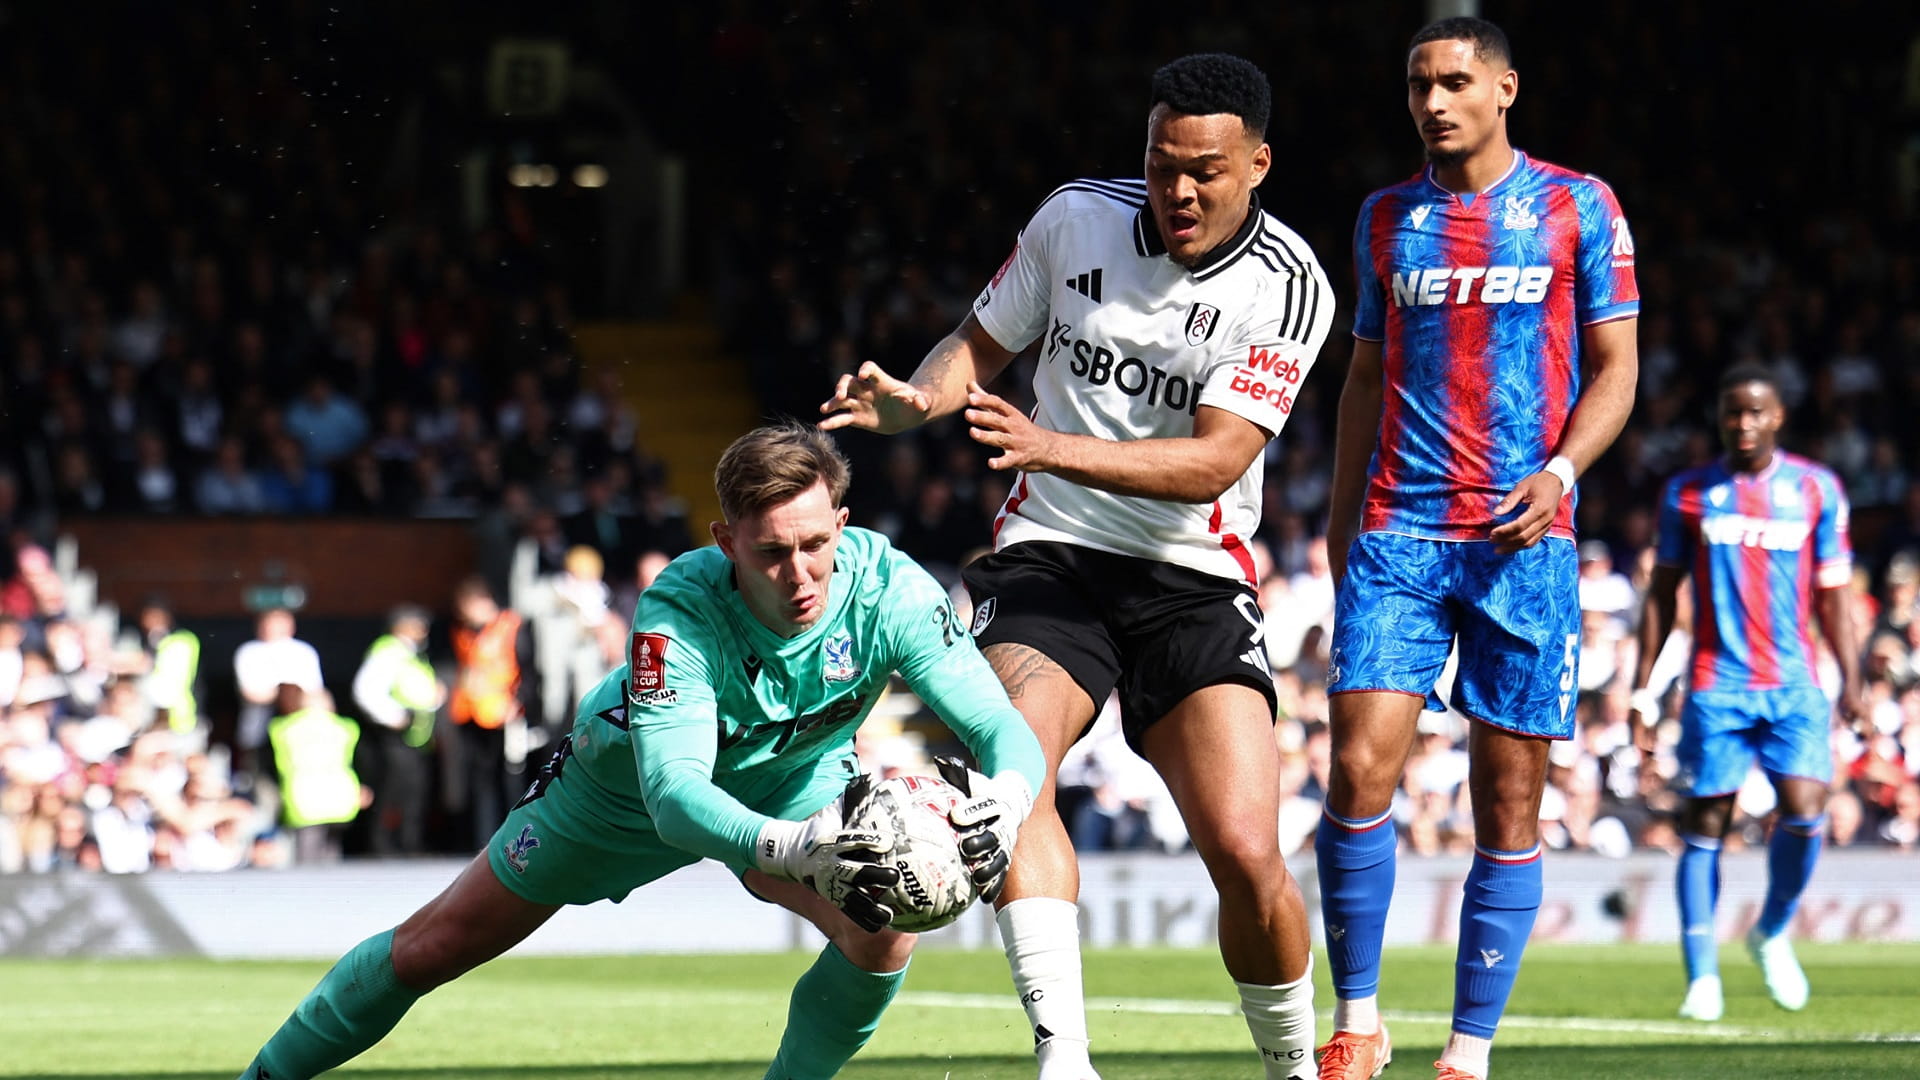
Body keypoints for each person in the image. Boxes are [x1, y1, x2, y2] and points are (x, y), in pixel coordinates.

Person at [235, 421, 1046, 1080]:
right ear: (726, 541)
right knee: (432, 948)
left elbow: (999, 726)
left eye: (814, 544)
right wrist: (796, 848)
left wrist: (1006, 801)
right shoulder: (676, 613)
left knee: (881, 929)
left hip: (791, 778)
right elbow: (674, 792)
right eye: (770, 552)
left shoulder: (890, 590)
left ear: (841, 521)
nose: (799, 573)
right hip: (617, 795)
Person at [822, 52, 1333, 1080]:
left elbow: (1217, 461)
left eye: (1205, 171)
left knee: (1245, 852)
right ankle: (1066, 1059)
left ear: (1259, 164)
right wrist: (917, 401)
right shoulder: (1074, 219)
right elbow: (977, 343)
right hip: (1050, 559)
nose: (1178, 191)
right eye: (1160, 163)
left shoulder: (1290, 287)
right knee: (1014, 781)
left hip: (1195, 576)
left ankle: (1292, 1067)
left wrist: (1049, 444)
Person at [1314, 18, 1639, 1080]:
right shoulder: (1382, 220)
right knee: (1358, 771)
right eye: (1418, 84)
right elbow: (1363, 378)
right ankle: (1358, 1024)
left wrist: (1560, 476)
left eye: (1455, 81)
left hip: (1524, 541)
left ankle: (1469, 1050)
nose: (1433, 101)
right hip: (1399, 532)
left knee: (1508, 804)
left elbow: (1616, 370)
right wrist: (1335, 516)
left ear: (1505, 89)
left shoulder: (1577, 206)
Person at [1628, 363, 1865, 1022]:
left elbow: (1835, 596)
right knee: (1706, 825)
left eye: (1756, 411)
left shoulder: (1816, 489)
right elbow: (1661, 595)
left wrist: (1854, 679)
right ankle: (1701, 976)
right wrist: (1643, 690)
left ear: (1778, 417)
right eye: (1733, 412)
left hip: (1793, 682)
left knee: (1806, 808)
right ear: (1721, 417)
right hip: (1716, 682)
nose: (1743, 423)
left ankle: (1771, 930)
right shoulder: (1688, 493)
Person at [445, 575, 540, 850]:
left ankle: (511, 838)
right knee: (479, 779)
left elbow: (528, 669)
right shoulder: (463, 631)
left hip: (505, 714)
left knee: (509, 778)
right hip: (471, 712)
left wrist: (519, 702)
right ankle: (483, 840)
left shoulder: (511, 626)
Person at [351, 605, 443, 857]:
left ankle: (407, 843)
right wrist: (394, 717)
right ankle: (386, 846)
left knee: (413, 793)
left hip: (416, 736)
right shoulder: (389, 652)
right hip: (396, 735)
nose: (423, 630)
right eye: (417, 624)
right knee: (394, 792)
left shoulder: (411, 654)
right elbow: (366, 691)